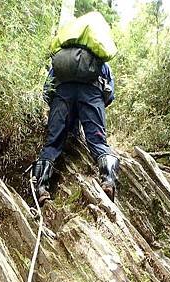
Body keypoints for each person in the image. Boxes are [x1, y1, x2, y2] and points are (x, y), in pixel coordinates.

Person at [32, 45, 120, 205]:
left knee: (52, 143)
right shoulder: (99, 60)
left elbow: (47, 91)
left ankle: (42, 189)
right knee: (99, 141)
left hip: (62, 93)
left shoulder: (61, 61)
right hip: (92, 93)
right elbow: (110, 94)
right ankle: (108, 181)